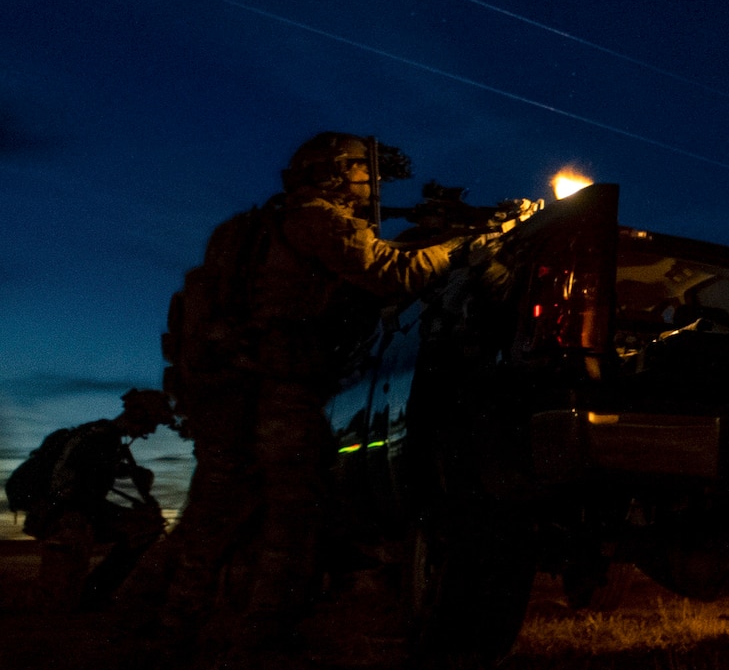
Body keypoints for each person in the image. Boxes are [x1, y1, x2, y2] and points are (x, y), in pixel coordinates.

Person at [153, 132, 476, 643]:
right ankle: (265, 627)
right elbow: (390, 273)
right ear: (332, 173)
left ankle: (164, 620)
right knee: (292, 509)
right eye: (361, 173)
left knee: (212, 512)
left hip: (228, 391)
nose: (369, 184)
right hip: (280, 390)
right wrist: (466, 246)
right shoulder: (317, 219)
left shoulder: (254, 229)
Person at [5, 389, 174, 610]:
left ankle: (92, 596)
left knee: (142, 526)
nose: (150, 431)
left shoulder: (99, 436)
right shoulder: (102, 440)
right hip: (66, 519)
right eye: (151, 422)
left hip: (67, 514)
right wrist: (127, 513)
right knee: (51, 604)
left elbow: (88, 479)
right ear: (139, 414)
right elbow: (82, 497)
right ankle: (90, 596)